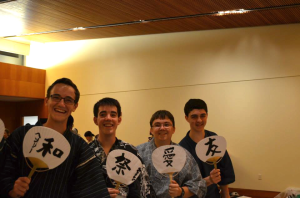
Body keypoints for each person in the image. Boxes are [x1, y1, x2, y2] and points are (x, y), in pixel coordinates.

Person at [0, 78, 109, 198]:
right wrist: (11, 189)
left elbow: (91, 189)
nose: (61, 104)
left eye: (68, 100)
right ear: (47, 100)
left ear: (75, 106)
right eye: (56, 97)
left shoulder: (80, 147)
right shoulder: (22, 134)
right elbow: (4, 170)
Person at [89, 97, 156, 198]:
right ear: (95, 120)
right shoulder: (84, 151)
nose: (108, 118)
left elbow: (144, 188)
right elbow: (74, 187)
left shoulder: (130, 151)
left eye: (113, 115)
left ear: (119, 120)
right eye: (103, 114)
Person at [137, 110, 206, 198]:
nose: (162, 128)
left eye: (166, 124)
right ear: (151, 130)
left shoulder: (183, 154)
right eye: (157, 125)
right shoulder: (139, 152)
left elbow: (199, 184)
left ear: (173, 129)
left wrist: (180, 191)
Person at [179, 99, 235, 198]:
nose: (199, 120)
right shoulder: (182, 148)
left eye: (202, 116)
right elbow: (183, 185)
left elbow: (224, 170)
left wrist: (225, 194)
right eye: (194, 116)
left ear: (207, 115)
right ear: (186, 118)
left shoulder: (214, 140)